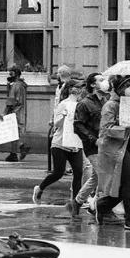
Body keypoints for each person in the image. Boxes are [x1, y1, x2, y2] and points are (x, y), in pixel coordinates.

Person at [94, 75, 130, 231]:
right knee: (129, 182)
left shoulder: (129, 105)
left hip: (127, 149)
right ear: (120, 89)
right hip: (113, 151)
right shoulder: (110, 106)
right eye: (128, 86)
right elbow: (106, 130)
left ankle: (101, 206)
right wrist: (127, 126)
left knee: (126, 185)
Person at [33, 78, 86, 210]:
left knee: (78, 172)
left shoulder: (81, 105)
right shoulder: (64, 104)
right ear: (71, 90)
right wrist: (64, 116)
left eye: (81, 88)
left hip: (74, 144)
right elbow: (56, 124)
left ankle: (75, 202)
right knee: (58, 172)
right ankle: (40, 188)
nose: (80, 91)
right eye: (78, 88)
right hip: (60, 143)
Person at [71, 72, 109, 216]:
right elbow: (78, 126)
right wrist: (93, 139)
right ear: (93, 84)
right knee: (104, 176)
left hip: (105, 145)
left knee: (96, 177)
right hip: (92, 147)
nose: (104, 82)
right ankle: (98, 207)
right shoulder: (84, 103)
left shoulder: (105, 101)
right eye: (101, 80)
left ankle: (77, 201)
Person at [3, 66, 30, 162]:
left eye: (11, 73)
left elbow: (11, 100)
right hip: (20, 111)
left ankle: (16, 151)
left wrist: (4, 112)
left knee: (13, 132)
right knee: (15, 132)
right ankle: (17, 150)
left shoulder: (16, 86)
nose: (9, 75)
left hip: (15, 111)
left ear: (16, 74)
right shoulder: (21, 85)